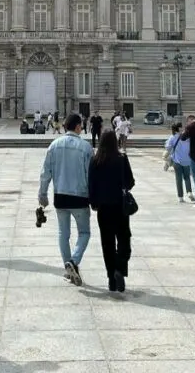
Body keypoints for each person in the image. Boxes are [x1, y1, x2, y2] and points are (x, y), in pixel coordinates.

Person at [39, 114, 94, 286]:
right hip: (80, 196)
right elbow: (90, 175)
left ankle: (68, 269)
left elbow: (45, 173)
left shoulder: (54, 145)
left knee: (63, 234)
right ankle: (74, 261)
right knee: (84, 233)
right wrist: (94, 196)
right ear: (78, 126)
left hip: (60, 196)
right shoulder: (86, 147)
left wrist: (42, 195)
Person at [88, 129, 135, 292]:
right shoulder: (122, 158)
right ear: (115, 141)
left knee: (107, 243)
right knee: (124, 240)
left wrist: (93, 203)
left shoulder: (95, 160)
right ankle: (119, 269)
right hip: (120, 207)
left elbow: (91, 185)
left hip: (103, 207)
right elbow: (130, 182)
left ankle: (111, 279)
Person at [163, 121, 194, 203]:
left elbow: (168, 148)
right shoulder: (187, 137)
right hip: (187, 160)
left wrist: (166, 158)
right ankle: (189, 192)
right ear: (179, 128)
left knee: (178, 179)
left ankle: (180, 197)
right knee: (187, 177)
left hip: (177, 161)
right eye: (181, 126)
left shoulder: (172, 137)